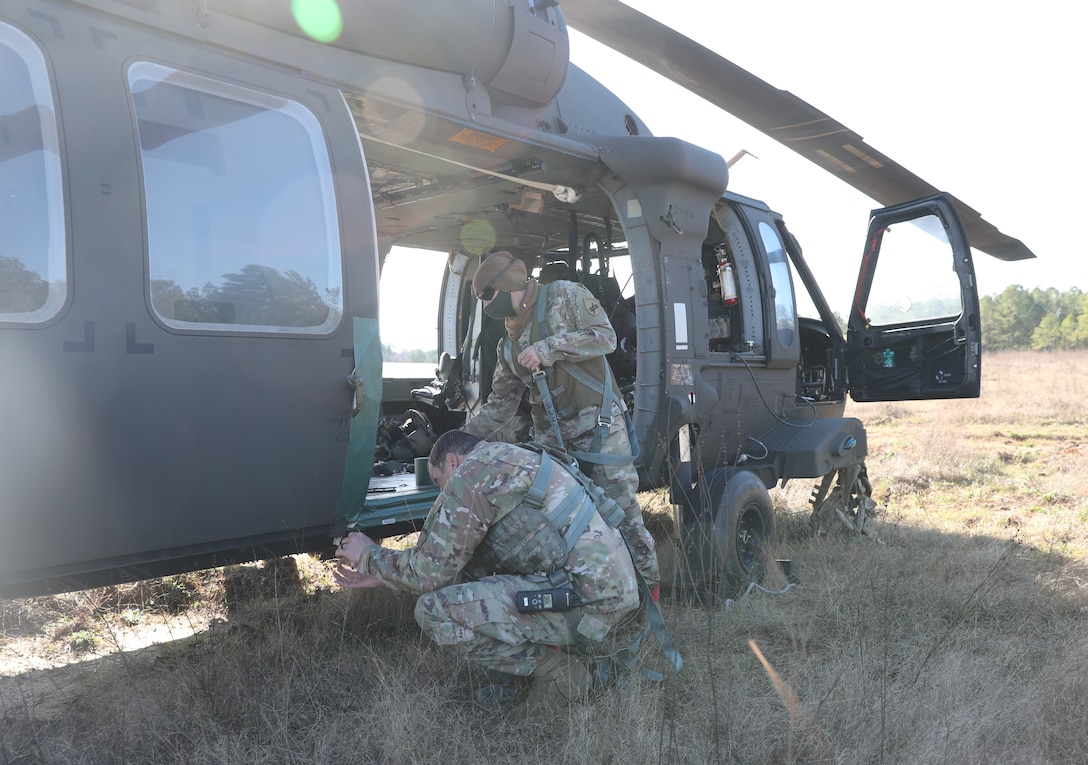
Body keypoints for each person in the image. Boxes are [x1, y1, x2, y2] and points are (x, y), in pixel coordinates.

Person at [334, 430, 639, 714]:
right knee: (469, 583)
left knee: (433, 611)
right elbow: (459, 565)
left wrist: (369, 555)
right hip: (604, 595)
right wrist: (386, 575)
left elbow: (430, 573)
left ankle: (560, 673)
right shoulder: (507, 456)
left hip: (588, 608)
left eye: (440, 482)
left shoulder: (472, 476)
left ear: (452, 461)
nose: (443, 492)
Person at [462, 250, 660, 587]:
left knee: (620, 511)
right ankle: (589, 592)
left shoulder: (564, 295)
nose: (485, 307)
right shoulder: (507, 346)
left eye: (487, 297)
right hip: (552, 441)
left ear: (508, 285)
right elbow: (501, 406)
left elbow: (606, 337)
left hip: (598, 426)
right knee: (556, 517)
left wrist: (548, 349)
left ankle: (648, 592)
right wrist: (460, 441)